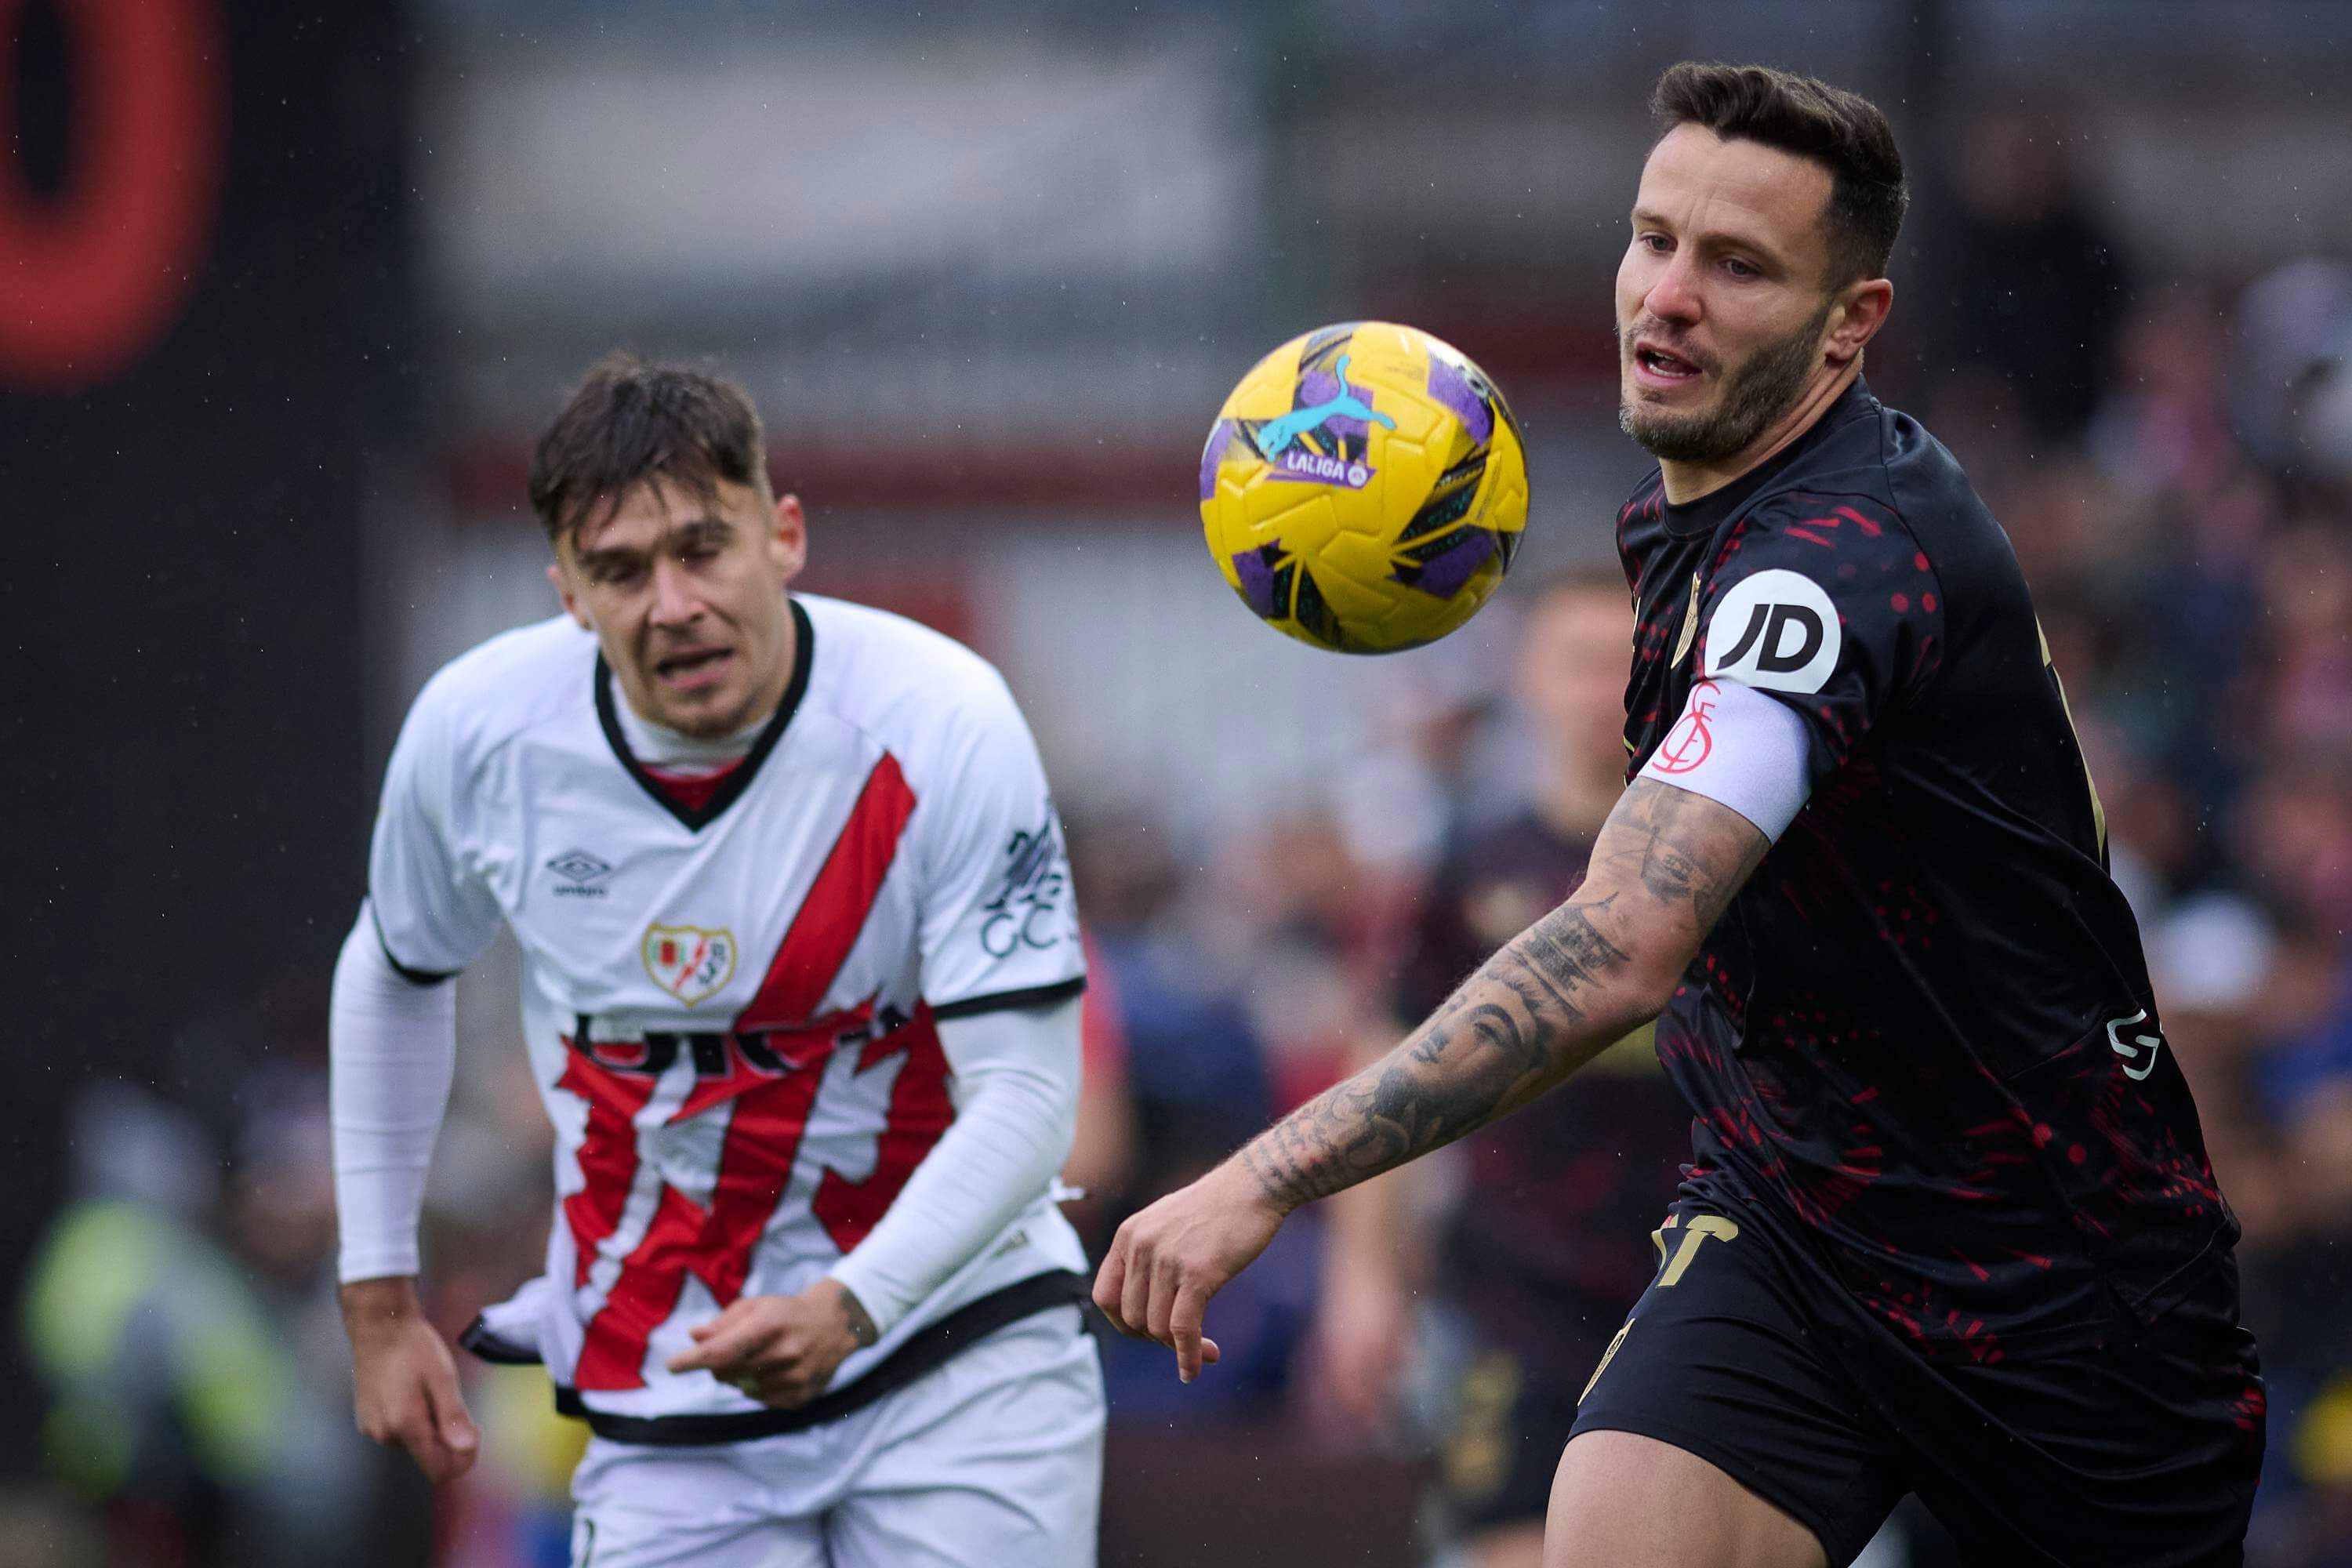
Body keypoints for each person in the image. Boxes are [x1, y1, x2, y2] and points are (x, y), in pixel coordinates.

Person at [1096, 62, 2264, 1568]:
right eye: (1654, 240)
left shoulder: (1836, 561)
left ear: (1851, 322)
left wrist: (1264, 1175)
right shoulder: (1695, 518)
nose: (1670, 296)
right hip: (1790, 1226)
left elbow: (1626, 942)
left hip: (2059, 1271)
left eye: (1739, 266)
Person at [331, 353, 1104, 1566]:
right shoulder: (480, 732)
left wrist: (852, 1305)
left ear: (783, 535)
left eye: (703, 549)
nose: (673, 604)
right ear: (568, 595)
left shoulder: (942, 718)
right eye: (621, 571)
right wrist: (379, 1305)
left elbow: (1030, 1097)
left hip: (959, 1341)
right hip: (672, 1370)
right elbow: (393, 972)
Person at [1313, 570, 1690, 1568]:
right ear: (1528, 677)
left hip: (1702, 1292)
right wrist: (1362, 1276)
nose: (1605, 690)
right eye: (1580, 662)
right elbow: (1388, 1065)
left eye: (1630, 663)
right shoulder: (1471, 866)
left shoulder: (1726, 867)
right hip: (1516, 1298)